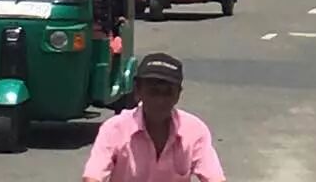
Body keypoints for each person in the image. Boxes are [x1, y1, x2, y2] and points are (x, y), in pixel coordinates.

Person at [83, 52, 225, 182]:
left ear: (178, 95)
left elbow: (214, 177)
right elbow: (93, 176)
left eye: (167, 93)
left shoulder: (194, 131)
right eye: (153, 92)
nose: (160, 101)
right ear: (138, 91)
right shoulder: (114, 129)